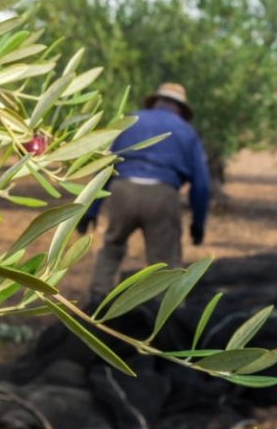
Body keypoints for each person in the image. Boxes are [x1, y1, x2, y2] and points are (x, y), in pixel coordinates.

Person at [77, 82, 211, 301]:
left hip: (123, 189)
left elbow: (105, 166)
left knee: (112, 246)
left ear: (156, 102)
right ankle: (166, 317)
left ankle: (97, 301)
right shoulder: (186, 131)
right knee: (164, 263)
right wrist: (198, 224)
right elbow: (202, 184)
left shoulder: (131, 120)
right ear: (180, 108)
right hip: (162, 193)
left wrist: (90, 211)